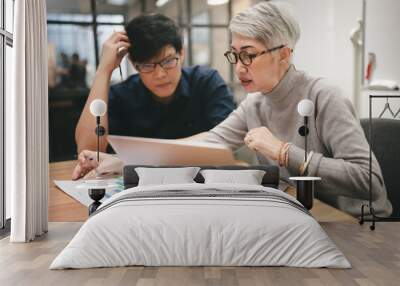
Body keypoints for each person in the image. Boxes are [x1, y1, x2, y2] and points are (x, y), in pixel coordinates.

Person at [73, 2, 391, 217]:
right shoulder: (254, 103)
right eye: (235, 55)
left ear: (284, 54)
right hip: (304, 215)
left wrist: (284, 152)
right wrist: (122, 160)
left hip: (355, 225)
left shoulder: (324, 95)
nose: (239, 68)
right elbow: (207, 143)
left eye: (249, 55)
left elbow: (369, 182)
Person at [75, 13, 235, 154]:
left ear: (182, 53)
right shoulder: (121, 96)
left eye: (168, 61)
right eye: (147, 65)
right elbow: (90, 151)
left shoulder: (206, 82)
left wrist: (150, 156)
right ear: (133, 64)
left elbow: (227, 139)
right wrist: (103, 71)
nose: (160, 74)